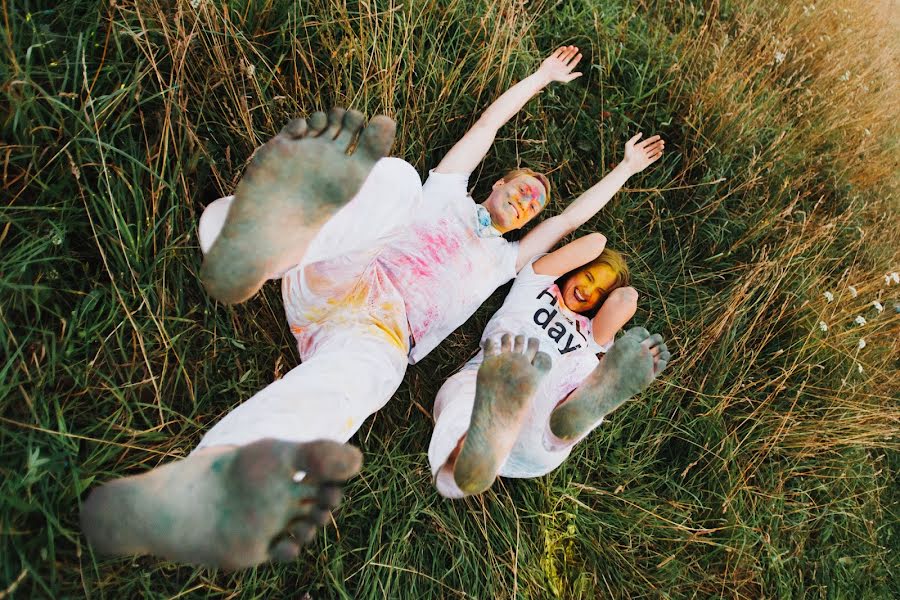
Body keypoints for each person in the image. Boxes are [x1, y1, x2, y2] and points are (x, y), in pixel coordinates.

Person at [80, 46, 664, 569]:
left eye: (534, 203)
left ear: (531, 222)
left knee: (362, 384)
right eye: (520, 185)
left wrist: (625, 169)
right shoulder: (447, 191)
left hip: (382, 333)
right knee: (399, 183)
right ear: (496, 183)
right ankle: (255, 244)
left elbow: (572, 222)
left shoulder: (507, 263)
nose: (526, 197)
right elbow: (488, 124)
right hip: (342, 270)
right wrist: (538, 78)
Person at [429, 241, 670, 497]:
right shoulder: (536, 284)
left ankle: (575, 412)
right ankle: (474, 455)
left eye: (599, 293)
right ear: (574, 269)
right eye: (588, 277)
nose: (588, 291)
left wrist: (625, 291)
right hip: (494, 391)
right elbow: (595, 242)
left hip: (537, 423)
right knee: (470, 397)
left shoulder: (589, 334)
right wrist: (601, 256)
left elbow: (625, 300)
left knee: (582, 365)